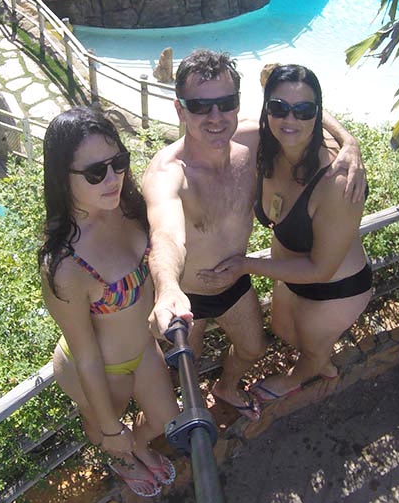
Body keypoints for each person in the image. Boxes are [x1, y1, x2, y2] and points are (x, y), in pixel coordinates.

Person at [144, 50, 365, 422]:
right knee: (185, 365)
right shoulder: (169, 173)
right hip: (188, 294)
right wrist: (167, 289)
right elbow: (166, 234)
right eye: (200, 106)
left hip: (235, 282)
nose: (215, 117)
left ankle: (226, 388)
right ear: (180, 110)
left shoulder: (252, 139)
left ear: (238, 106)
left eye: (225, 103)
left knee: (253, 349)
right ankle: (194, 407)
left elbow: (300, 106)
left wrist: (349, 141)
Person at [201, 65, 373, 401]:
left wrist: (246, 264)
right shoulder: (267, 144)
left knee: (312, 347)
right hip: (291, 275)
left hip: (334, 285)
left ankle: (301, 375)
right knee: (283, 330)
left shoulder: (337, 182)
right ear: (267, 108)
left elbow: (320, 269)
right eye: (279, 108)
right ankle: (321, 363)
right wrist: (350, 137)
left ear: (316, 113)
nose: (290, 120)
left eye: (304, 111)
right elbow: (201, 141)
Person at [39, 108, 178, 498]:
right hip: (99, 367)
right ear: (62, 179)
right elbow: (86, 356)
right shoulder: (65, 264)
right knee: (103, 429)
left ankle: (138, 444)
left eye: (118, 163)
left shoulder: (128, 207)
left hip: (144, 350)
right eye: (95, 173)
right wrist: (113, 430)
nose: (113, 178)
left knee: (167, 420)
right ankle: (121, 456)